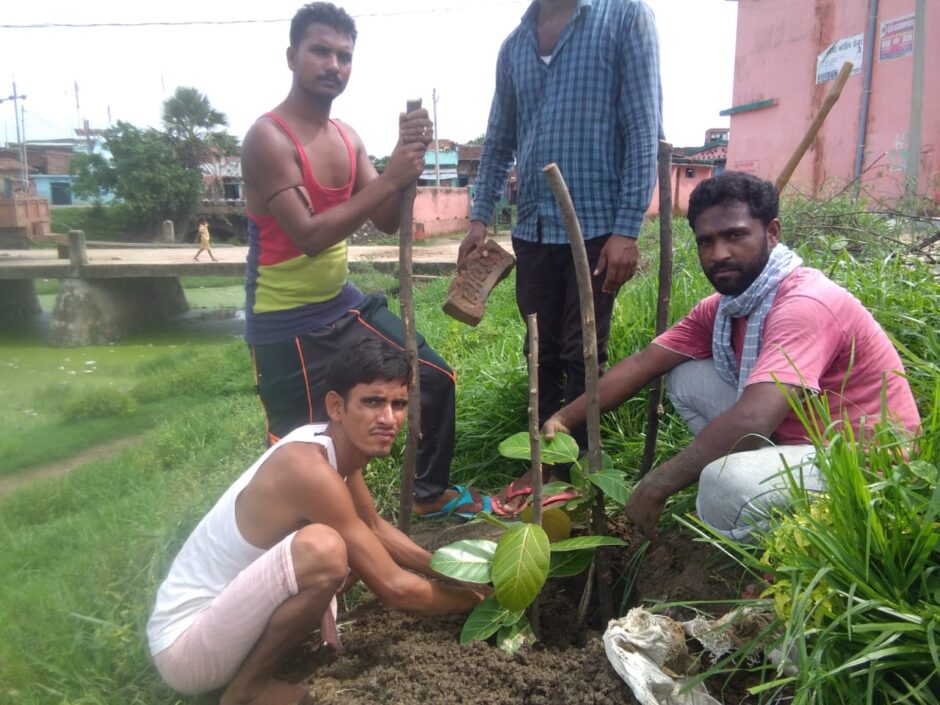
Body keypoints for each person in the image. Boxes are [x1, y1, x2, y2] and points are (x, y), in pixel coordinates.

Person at [542, 171, 921, 542]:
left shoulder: (804, 304)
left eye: (735, 235)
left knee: (723, 485)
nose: (719, 254)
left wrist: (657, 484)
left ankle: (796, 541)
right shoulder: (726, 307)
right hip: (799, 438)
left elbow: (754, 417)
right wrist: (562, 418)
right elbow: (644, 364)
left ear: (772, 233)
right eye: (706, 242)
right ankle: (755, 484)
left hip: (864, 465)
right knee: (685, 378)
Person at [240, 2, 488, 519]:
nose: (334, 64)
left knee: (433, 377)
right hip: (286, 326)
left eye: (344, 56)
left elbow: (387, 222)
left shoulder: (347, 138)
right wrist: (394, 177)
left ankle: (426, 495)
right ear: (292, 56)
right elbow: (308, 236)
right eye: (321, 51)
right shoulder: (268, 138)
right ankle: (301, 547)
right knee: (299, 450)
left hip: (341, 304)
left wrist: (408, 164)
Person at [147, 338, 486, 705]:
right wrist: (475, 601)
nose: (388, 419)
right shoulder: (309, 470)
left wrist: (464, 572)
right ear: (336, 406)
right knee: (324, 550)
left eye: (398, 404)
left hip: (221, 625)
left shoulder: (328, 446)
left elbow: (373, 527)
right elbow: (394, 588)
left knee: (344, 550)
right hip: (187, 649)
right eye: (372, 402)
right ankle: (246, 691)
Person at [458, 0, 662, 514]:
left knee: (583, 351)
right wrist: (479, 217)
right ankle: (544, 465)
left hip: (597, 228)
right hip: (534, 227)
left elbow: (642, 128)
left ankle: (577, 471)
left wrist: (627, 228)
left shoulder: (624, 16)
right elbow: (500, 138)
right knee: (540, 350)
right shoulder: (515, 45)